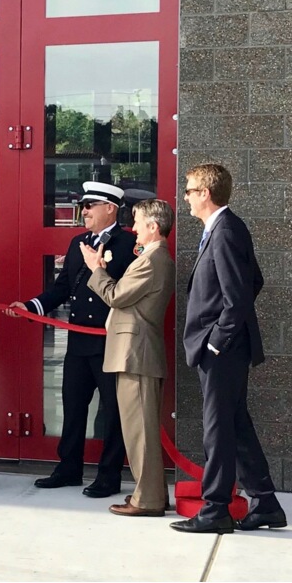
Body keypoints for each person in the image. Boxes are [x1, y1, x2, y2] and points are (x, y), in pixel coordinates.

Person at [171, 163, 286, 534]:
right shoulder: (221, 229)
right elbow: (254, 280)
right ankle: (265, 502)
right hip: (224, 347)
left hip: (222, 350)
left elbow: (238, 296)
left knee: (217, 429)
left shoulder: (225, 230)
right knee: (235, 424)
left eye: (189, 190)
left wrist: (217, 341)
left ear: (205, 193)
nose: (185, 197)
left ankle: (215, 509)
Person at [8, 181, 136, 498]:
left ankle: (109, 476)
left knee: (112, 412)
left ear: (111, 208)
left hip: (110, 341)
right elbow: (63, 287)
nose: (84, 211)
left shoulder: (130, 246)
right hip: (79, 341)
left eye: (90, 205)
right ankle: (68, 468)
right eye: (83, 205)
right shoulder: (78, 242)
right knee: (73, 405)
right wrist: (31, 307)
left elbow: (129, 294)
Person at [80, 199, 176, 517]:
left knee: (139, 432)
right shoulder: (152, 257)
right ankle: (151, 495)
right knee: (140, 430)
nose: (132, 229)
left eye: (137, 223)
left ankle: (147, 500)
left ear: (153, 227)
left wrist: (96, 269)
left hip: (136, 353)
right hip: (136, 353)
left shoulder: (153, 259)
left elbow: (117, 296)